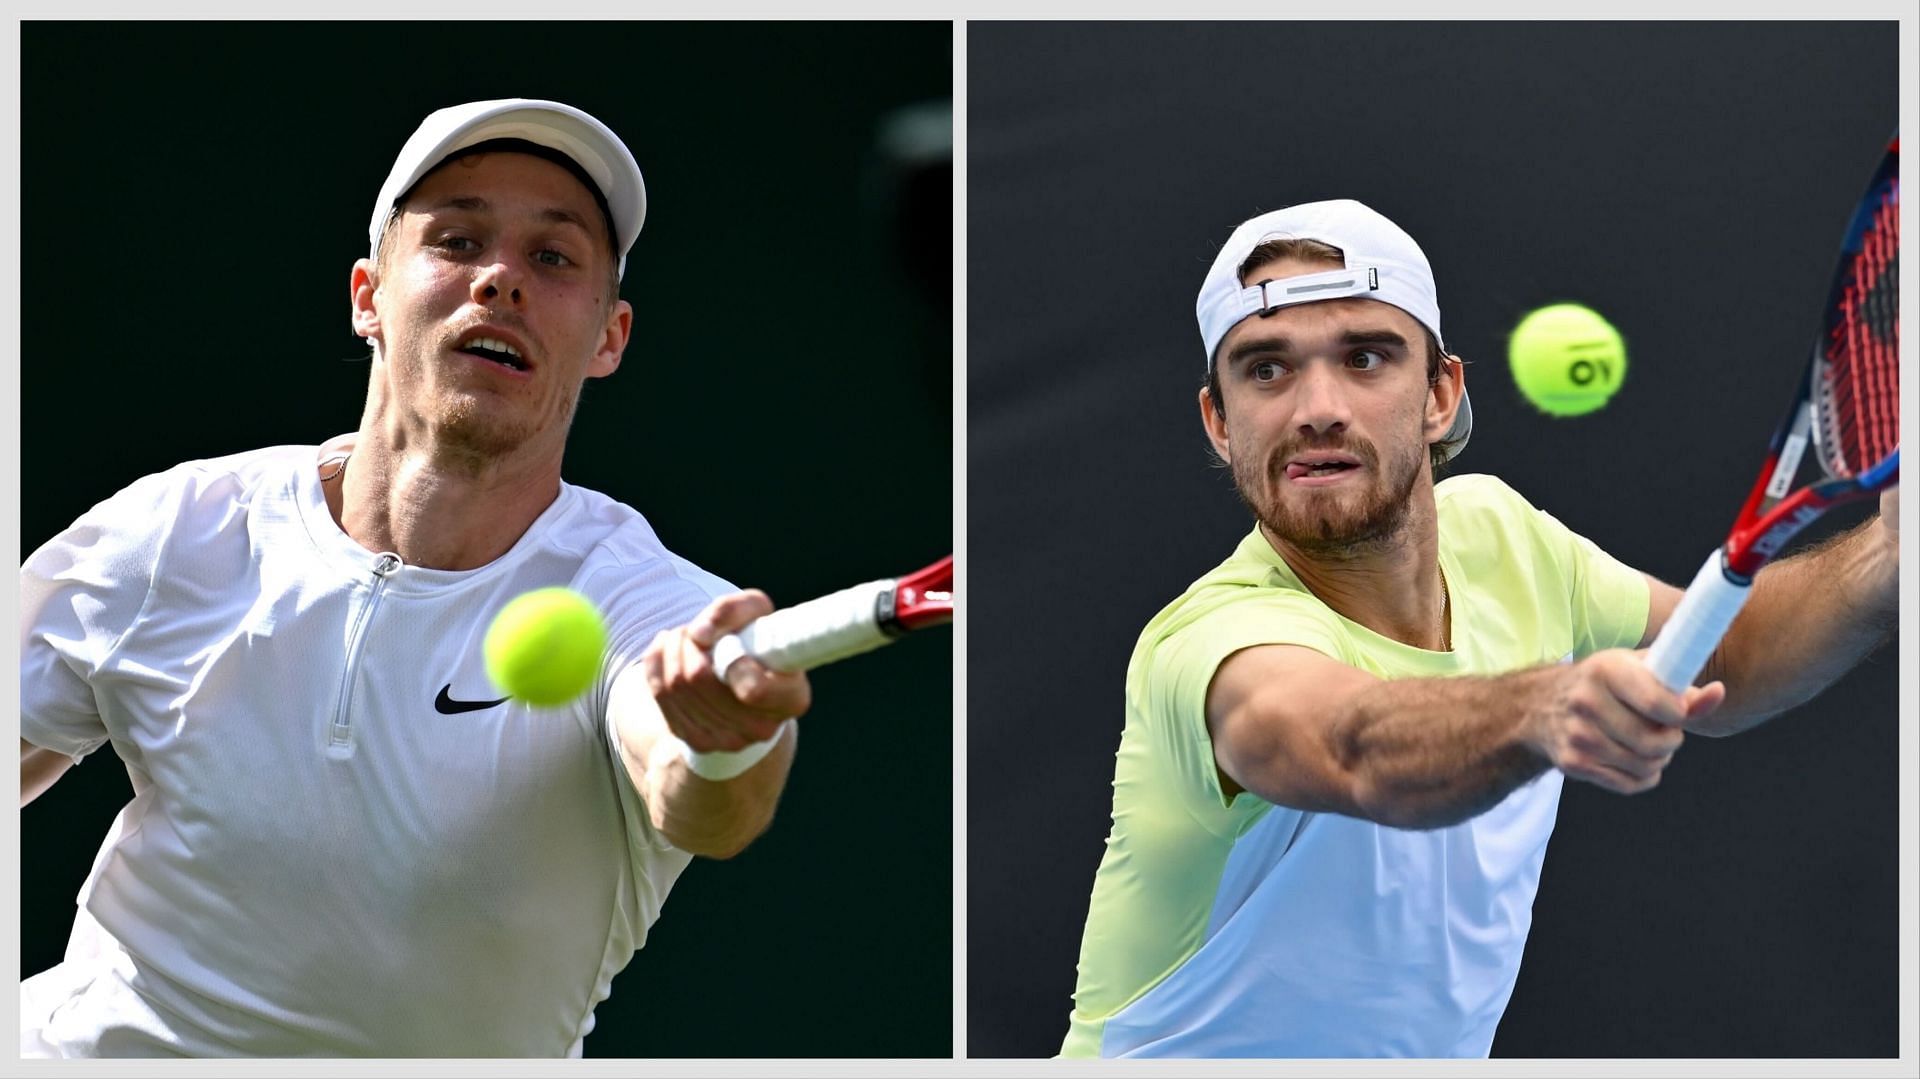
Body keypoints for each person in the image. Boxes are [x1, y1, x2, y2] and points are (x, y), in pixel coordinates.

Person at [19, 99, 815, 1058]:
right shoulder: (175, 531)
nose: (500, 282)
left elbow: (702, 796)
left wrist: (723, 741)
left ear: (610, 337)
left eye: (553, 258)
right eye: (457, 239)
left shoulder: (644, 602)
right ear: (367, 296)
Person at [1059, 199, 1898, 1058]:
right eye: (1266, 370)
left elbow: (1724, 654)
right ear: (1219, 421)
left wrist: (1886, 555)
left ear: (1439, 394)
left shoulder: (1503, 538)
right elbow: (1357, 746)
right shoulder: (1209, 643)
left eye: (1365, 357)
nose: (1316, 406)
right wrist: (1541, 706)